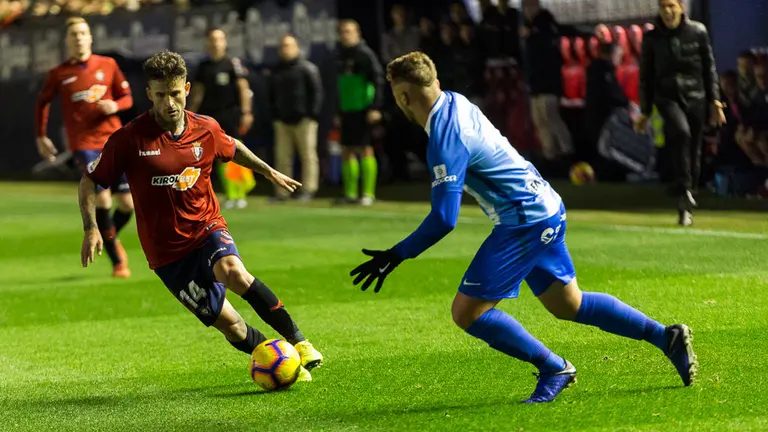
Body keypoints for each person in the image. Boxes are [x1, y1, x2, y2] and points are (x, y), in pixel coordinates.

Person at [350, 52, 696, 404]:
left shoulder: (445, 138)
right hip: (545, 204)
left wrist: (396, 255)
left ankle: (554, 368)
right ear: (435, 82)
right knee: (568, 304)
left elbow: (444, 218)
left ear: (403, 97)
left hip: (524, 221)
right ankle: (664, 337)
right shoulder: (454, 100)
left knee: (467, 312)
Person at [79, 51, 323, 379]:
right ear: (149, 93)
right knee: (232, 325)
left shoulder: (205, 128)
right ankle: (277, 360)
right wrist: (91, 227)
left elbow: (232, 147)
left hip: (206, 226)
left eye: (175, 93)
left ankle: (300, 343)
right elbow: (89, 180)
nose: (169, 103)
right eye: (160, 95)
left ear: (187, 89)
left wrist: (267, 171)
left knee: (234, 272)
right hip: (167, 254)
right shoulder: (129, 139)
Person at [35, 16, 134, 278]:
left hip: (113, 139)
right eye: (74, 34)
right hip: (84, 143)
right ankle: (118, 262)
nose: (78, 38)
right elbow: (42, 103)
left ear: (90, 37)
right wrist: (41, 136)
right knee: (102, 197)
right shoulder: (59, 74)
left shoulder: (108, 64)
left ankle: (108, 235)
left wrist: (115, 105)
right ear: (67, 41)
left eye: (82, 33)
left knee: (127, 204)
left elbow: (127, 97)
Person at [636, 0, 725, 226]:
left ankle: (687, 199)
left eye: (671, 6)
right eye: (663, 7)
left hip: (696, 98)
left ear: (681, 8)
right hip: (667, 97)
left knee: (694, 149)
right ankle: (684, 188)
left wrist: (715, 101)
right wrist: (645, 111)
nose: (667, 11)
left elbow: (709, 68)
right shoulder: (651, 38)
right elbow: (646, 76)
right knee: (681, 133)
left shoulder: (698, 32)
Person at [188, 28, 254, 209]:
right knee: (207, 156)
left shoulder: (233, 64)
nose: (216, 43)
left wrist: (246, 112)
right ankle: (220, 194)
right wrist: (190, 114)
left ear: (225, 42)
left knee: (232, 154)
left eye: (219, 39)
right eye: (212, 39)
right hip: (208, 118)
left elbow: (243, 88)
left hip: (230, 116)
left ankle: (239, 194)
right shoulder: (203, 67)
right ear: (207, 42)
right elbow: (198, 92)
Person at [336, 20, 385, 206]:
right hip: (346, 108)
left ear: (358, 33)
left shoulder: (365, 54)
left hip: (363, 108)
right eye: (343, 32)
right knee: (346, 149)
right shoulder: (340, 55)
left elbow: (378, 79)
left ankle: (368, 193)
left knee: (365, 148)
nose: (345, 35)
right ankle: (350, 193)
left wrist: (375, 106)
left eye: (349, 31)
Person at [270, 34, 324, 202]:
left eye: (288, 46)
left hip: (304, 120)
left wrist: (312, 114)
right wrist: (275, 115)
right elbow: (271, 94)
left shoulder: (307, 68)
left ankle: (308, 189)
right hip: (282, 120)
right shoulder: (276, 70)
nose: (285, 49)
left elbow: (317, 92)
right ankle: (282, 192)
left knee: (308, 156)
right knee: (282, 157)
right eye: (282, 46)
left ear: (297, 48)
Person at [520, 0, 574, 163]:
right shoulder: (527, 27)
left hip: (548, 82)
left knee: (550, 115)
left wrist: (532, 34)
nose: (528, 9)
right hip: (535, 82)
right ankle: (550, 153)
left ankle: (566, 151)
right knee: (539, 119)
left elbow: (548, 49)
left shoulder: (545, 24)